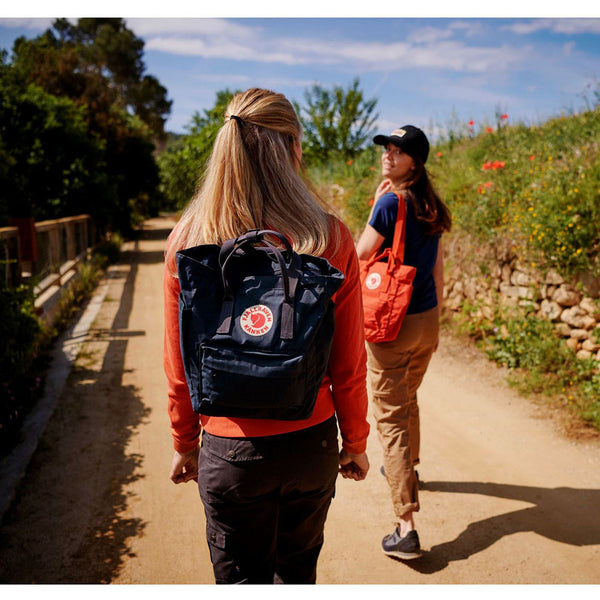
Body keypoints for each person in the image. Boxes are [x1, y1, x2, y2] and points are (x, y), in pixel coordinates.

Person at [163, 88, 370, 584]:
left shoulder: (189, 239)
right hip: (310, 443)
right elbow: (348, 361)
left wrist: (184, 440)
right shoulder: (329, 236)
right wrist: (356, 440)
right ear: (293, 148)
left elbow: (180, 365)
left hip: (229, 451)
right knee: (297, 575)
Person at [356, 125, 451, 560]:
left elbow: (360, 253)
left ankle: (405, 525)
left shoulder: (390, 202)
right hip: (425, 320)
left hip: (390, 323)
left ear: (415, 161)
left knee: (390, 417)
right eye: (387, 149)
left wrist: (377, 203)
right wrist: (438, 321)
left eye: (398, 151)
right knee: (407, 396)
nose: (388, 155)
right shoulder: (430, 203)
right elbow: (437, 268)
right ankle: (408, 469)